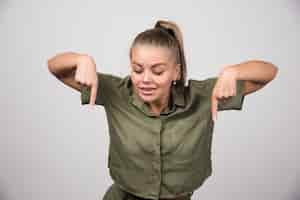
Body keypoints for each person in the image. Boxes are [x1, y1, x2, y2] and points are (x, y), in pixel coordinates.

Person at [47, 20, 278, 200]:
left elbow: (268, 73)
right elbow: (56, 67)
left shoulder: (202, 97)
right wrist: (82, 59)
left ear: (176, 72)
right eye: (138, 70)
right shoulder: (117, 92)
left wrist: (234, 70)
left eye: (157, 71)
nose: (145, 79)